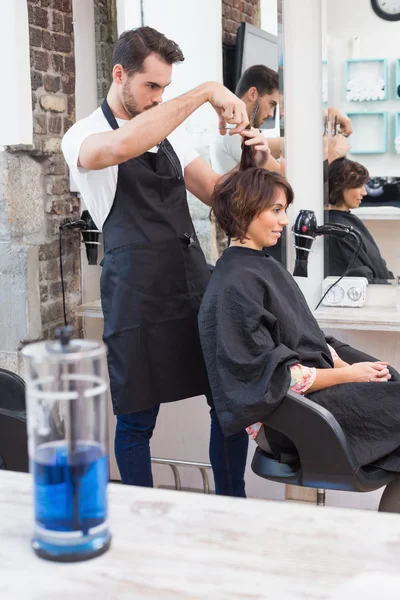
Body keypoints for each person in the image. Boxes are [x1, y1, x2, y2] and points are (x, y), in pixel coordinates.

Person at [62, 26, 270, 496]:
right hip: (136, 297)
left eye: (165, 88)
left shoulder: (171, 137)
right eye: (150, 86)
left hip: (192, 283)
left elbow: (218, 194)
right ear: (120, 75)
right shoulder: (83, 136)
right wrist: (203, 94)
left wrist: (249, 161)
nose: (158, 98)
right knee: (136, 420)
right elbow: (120, 148)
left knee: (228, 403)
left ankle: (230, 503)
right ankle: (139, 524)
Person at [198, 144, 400, 475]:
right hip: (293, 419)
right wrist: (350, 373)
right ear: (244, 209)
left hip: (315, 401)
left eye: (284, 209)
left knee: (389, 378)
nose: (285, 220)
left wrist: (345, 361)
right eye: (276, 210)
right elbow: (271, 377)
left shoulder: (261, 266)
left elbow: (304, 336)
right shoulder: (235, 284)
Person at [326, 158, 394, 283]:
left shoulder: (348, 221)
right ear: (340, 186)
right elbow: (359, 275)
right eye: (358, 186)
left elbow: (376, 262)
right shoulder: (337, 230)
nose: (364, 192)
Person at [210, 65, 283, 176]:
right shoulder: (234, 130)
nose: (271, 114)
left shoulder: (238, 128)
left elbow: (277, 144)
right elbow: (282, 173)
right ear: (253, 94)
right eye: (271, 104)